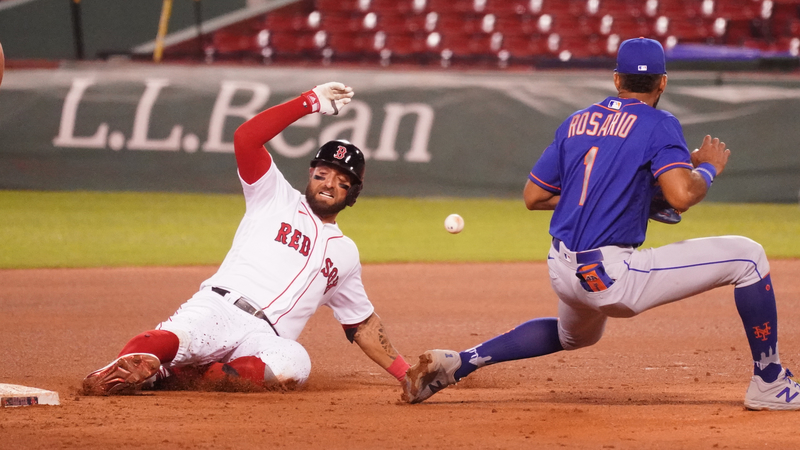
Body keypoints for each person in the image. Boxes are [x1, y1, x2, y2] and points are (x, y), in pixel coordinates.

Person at [402, 38, 800, 411]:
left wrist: (629, 195)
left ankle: (459, 363)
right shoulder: (660, 124)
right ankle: (768, 380)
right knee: (748, 257)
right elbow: (681, 196)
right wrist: (709, 168)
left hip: (563, 269)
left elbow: (534, 197)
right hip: (611, 278)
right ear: (662, 82)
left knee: (572, 335)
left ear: (616, 79)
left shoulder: (576, 121)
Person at [83, 82, 410, 395]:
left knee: (294, 362)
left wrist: (407, 375)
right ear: (310, 174)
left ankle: (180, 374)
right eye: (322, 173)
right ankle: (120, 369)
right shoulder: (274, 195)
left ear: (353, 193)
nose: (327, 183)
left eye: (340, 180)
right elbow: (246, 138)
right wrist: (308, 103)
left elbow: (362, 326)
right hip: (221, 306)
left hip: (265, 338)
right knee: (181, 335)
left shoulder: (346, 255)